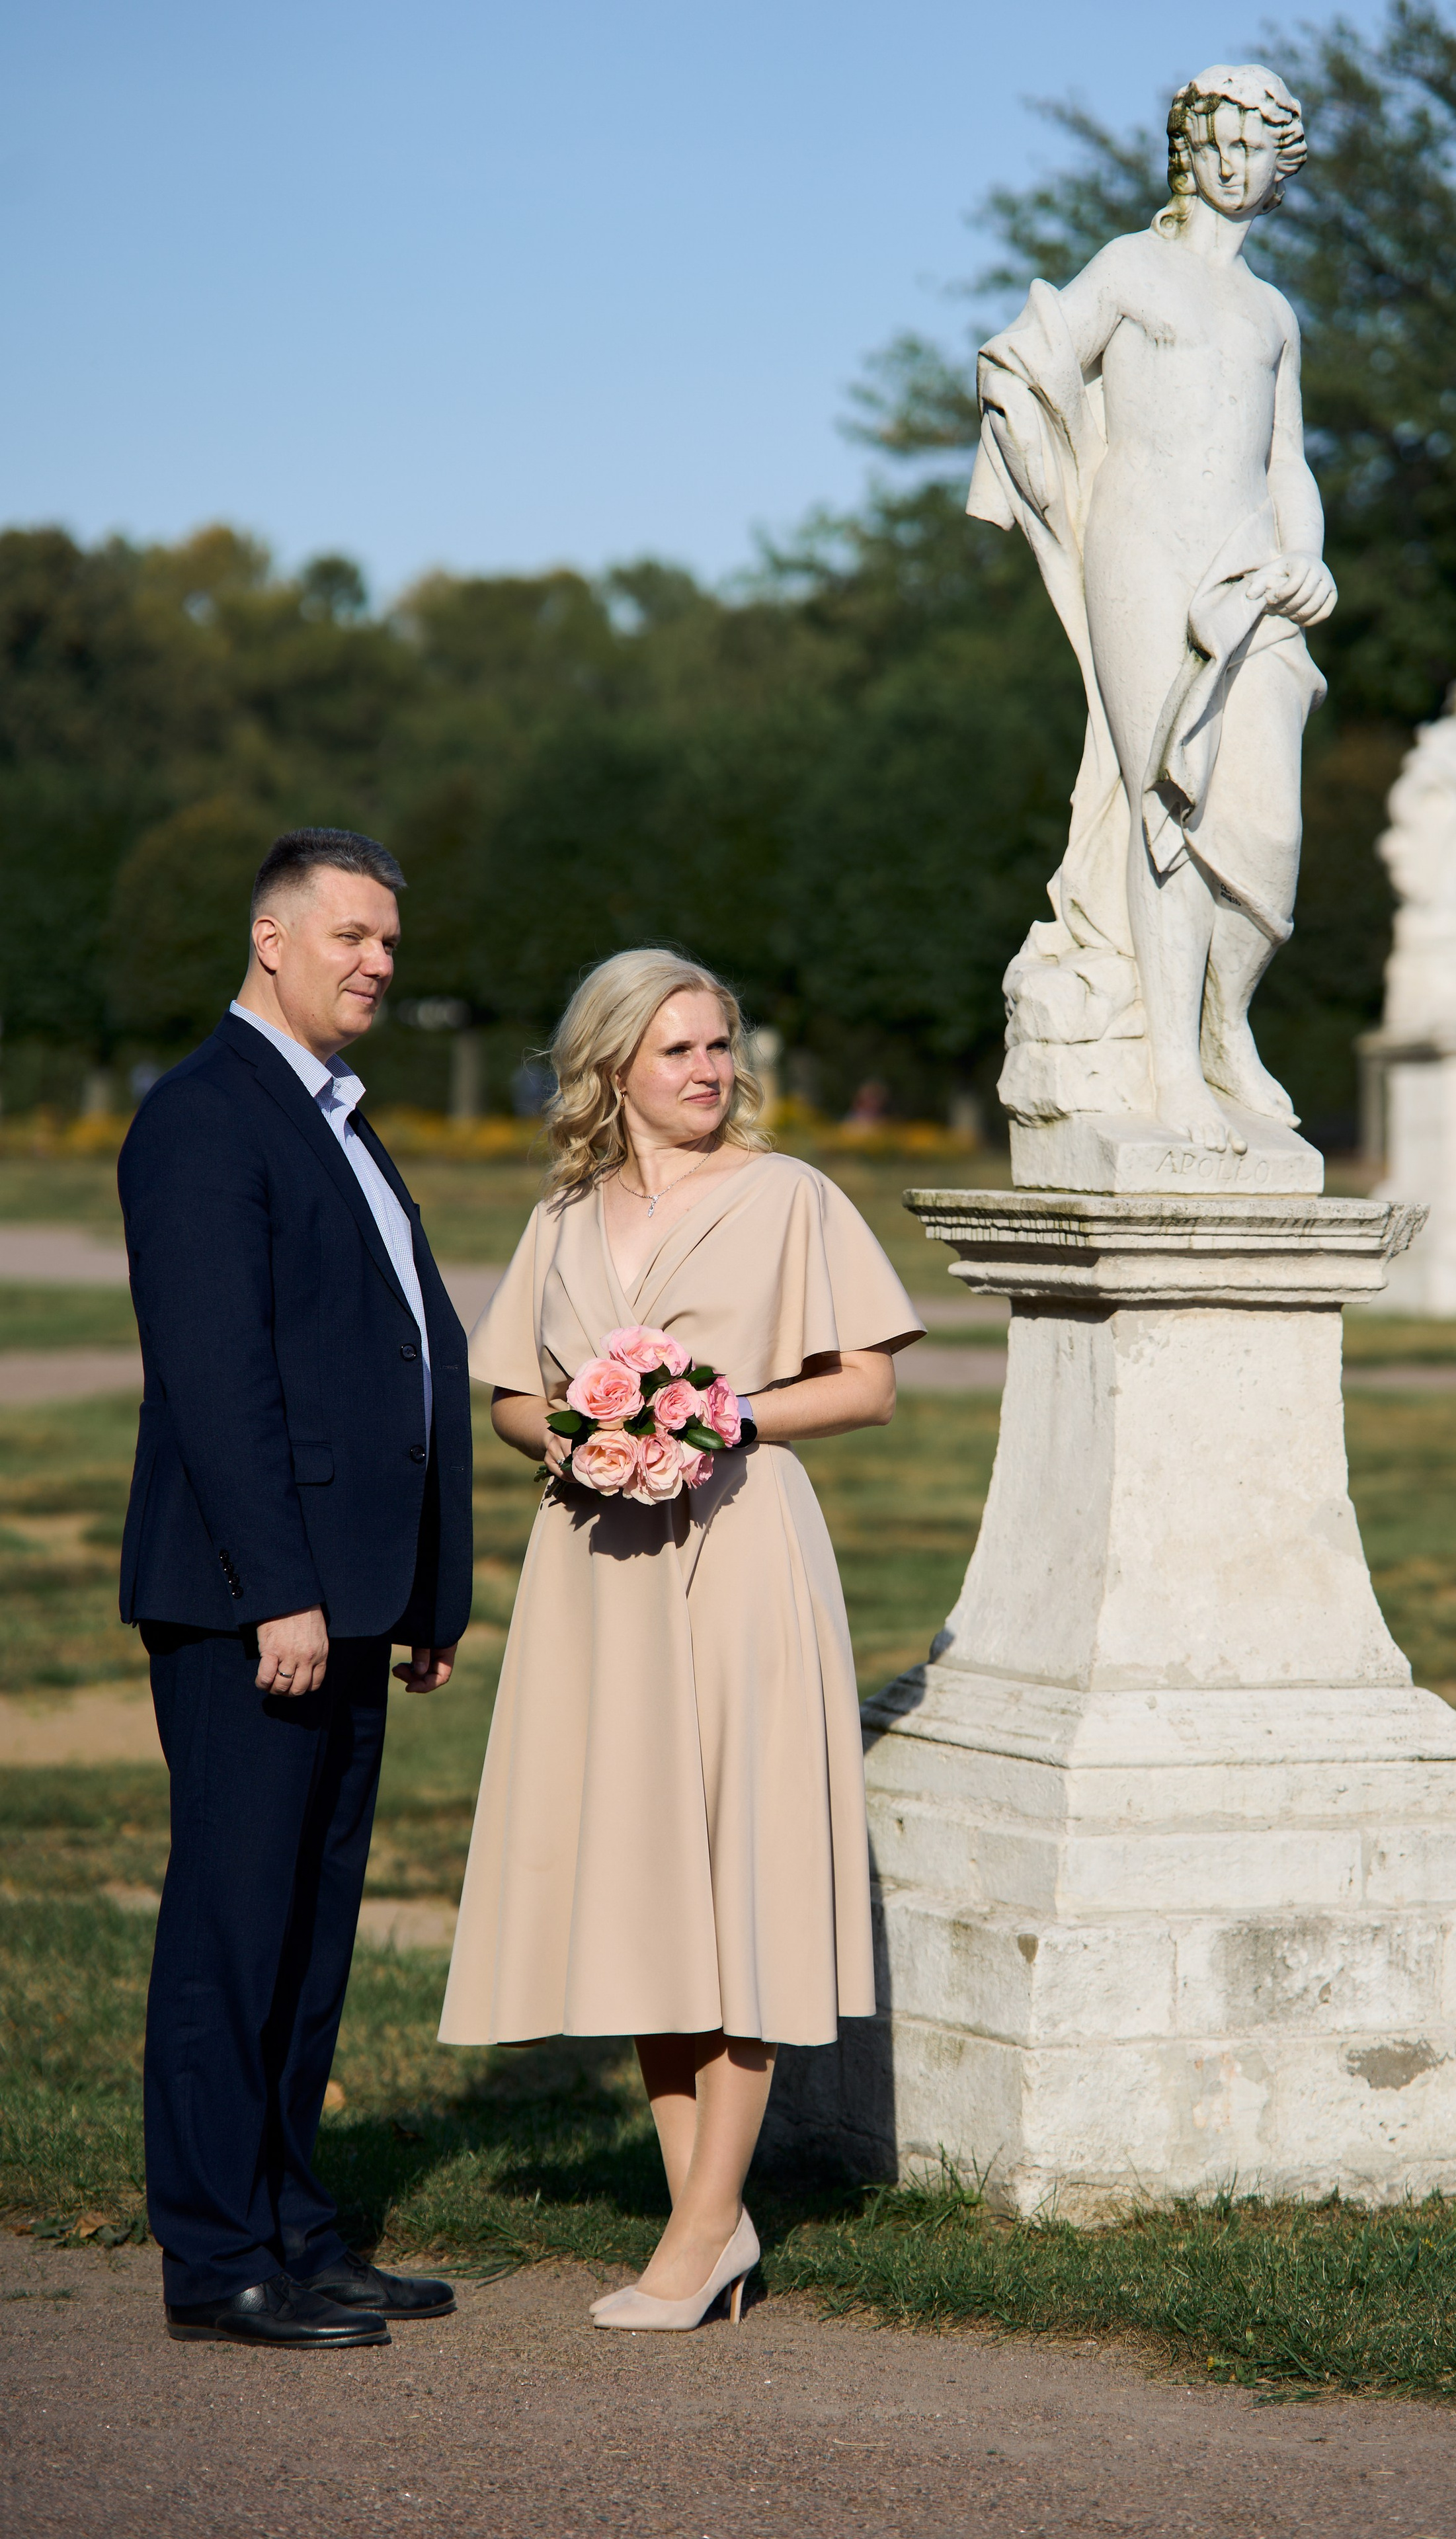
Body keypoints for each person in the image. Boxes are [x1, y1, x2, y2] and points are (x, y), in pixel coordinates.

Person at [438, 949, 923, 2330]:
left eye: (720, 1047)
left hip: (740, 1552)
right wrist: (588, 1434)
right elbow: (511, 1402)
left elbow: (869, 1386)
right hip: (597, 1562)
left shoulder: (791, 1199)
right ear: (610, 1069)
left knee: (739, 1876)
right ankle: (708, 2223)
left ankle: (699, 2231)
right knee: (647, 1880)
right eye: (678, 1052)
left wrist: (720, 1418)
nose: (708, 1071)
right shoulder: (565, 1214)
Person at [118, 828, 474, 2349]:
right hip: (249, 1602)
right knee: (230, 1923)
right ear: (271, 940)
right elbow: (221, 1381)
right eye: (350, 936)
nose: (379, 962)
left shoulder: (337, 1119)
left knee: (311, 1929)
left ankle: (297, 2224)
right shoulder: (206, 1119)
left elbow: (396, 1352)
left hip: (344, 1599)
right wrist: (278, 1590)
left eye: (390, 939)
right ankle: (215, 2259)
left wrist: (424, 1596)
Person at [971, 63, 1336, 1153]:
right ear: (1191, 151)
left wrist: (1309, 556)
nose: (1233, 162)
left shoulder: (1274, 313)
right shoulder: (1132, 267)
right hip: (1139, 547)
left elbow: (1287, 460)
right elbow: (1029, 359)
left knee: (1269, 822)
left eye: (1254, 146)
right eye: (1215, 141)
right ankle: (1173, 1067)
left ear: (1281, 167)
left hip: (1248, 562)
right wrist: (1022, 426)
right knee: (1166, 805)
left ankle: (1227, 1021)